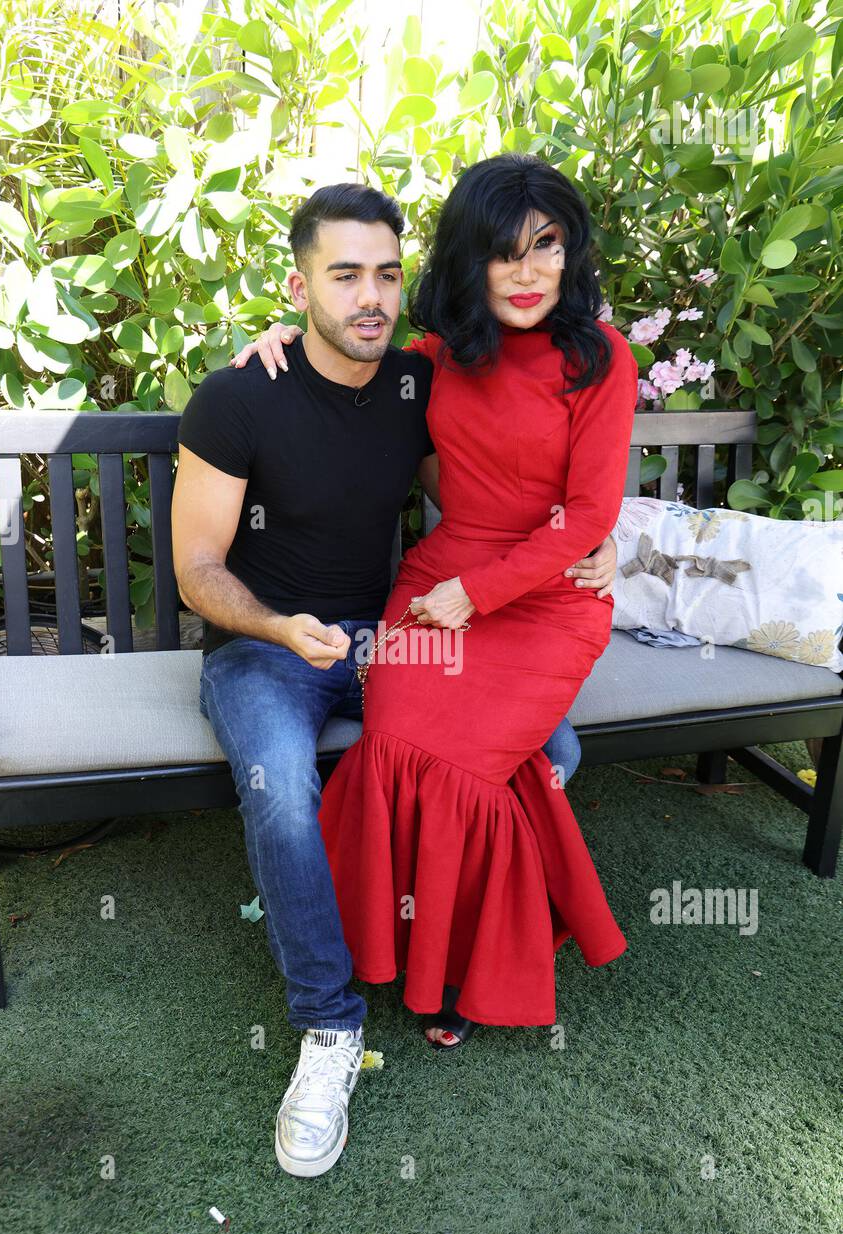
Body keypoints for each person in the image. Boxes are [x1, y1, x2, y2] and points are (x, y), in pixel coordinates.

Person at [172, 179, 617, 1180]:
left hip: (386, 637)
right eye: (343, 275)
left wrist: (602, 543)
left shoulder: (419, 383)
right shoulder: (238, 394)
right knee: (284, 791)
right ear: (299, 286)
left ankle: (446, 958)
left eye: (383, 272)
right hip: (264, 648)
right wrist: (279, 623)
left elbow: (504, 481)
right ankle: (329, 1027)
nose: (369, 296)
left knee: (552, 748)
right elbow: (198, 568)